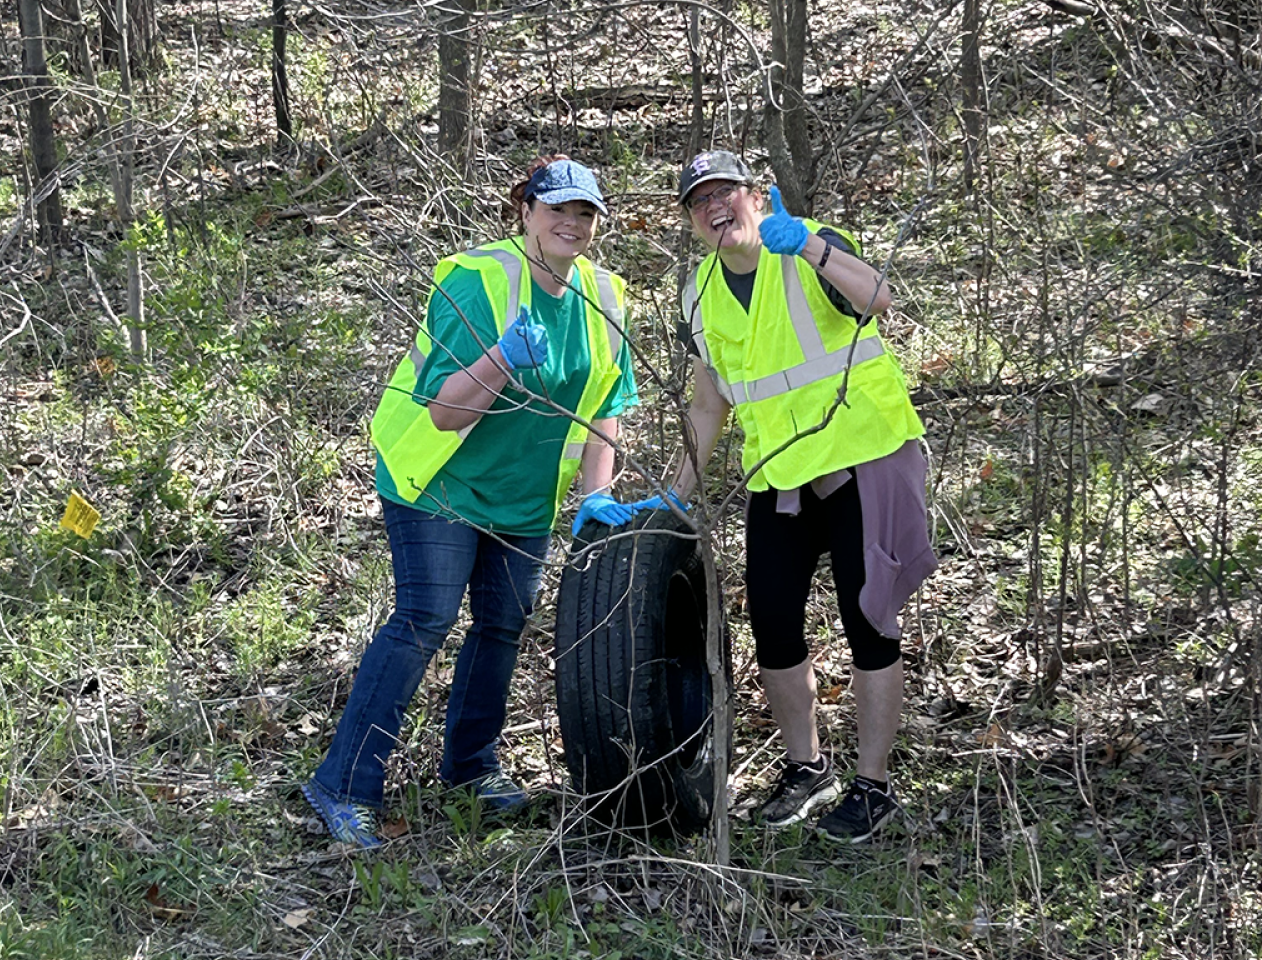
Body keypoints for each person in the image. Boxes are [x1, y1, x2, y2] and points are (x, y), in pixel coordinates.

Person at [302, 156, 640, 847]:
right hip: (440, 481)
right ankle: (342, 784)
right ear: (525, 211)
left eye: (585, 213)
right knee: (424, 618)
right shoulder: (476, 280)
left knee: (501, 626)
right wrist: (502, 357)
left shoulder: (607, 296)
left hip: (522, 496)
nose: (571, 224)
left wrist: (595, 495)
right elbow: (446, 412)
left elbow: (607, 406)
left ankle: (469, 769)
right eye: (557, 209)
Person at [645, 151, 936, 841]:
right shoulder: (700, 292)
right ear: (690, 220)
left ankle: (874, 785)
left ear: (757, 197)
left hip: (864, 458)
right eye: (699, 201)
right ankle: (807, 770)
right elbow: (709, 407)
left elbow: (877, 298)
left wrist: (807, 243)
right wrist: (670, 498)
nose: (715, 207)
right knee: (773, 625)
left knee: (870, 622)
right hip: (779, 480)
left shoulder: (808, 244)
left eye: (727, 193)